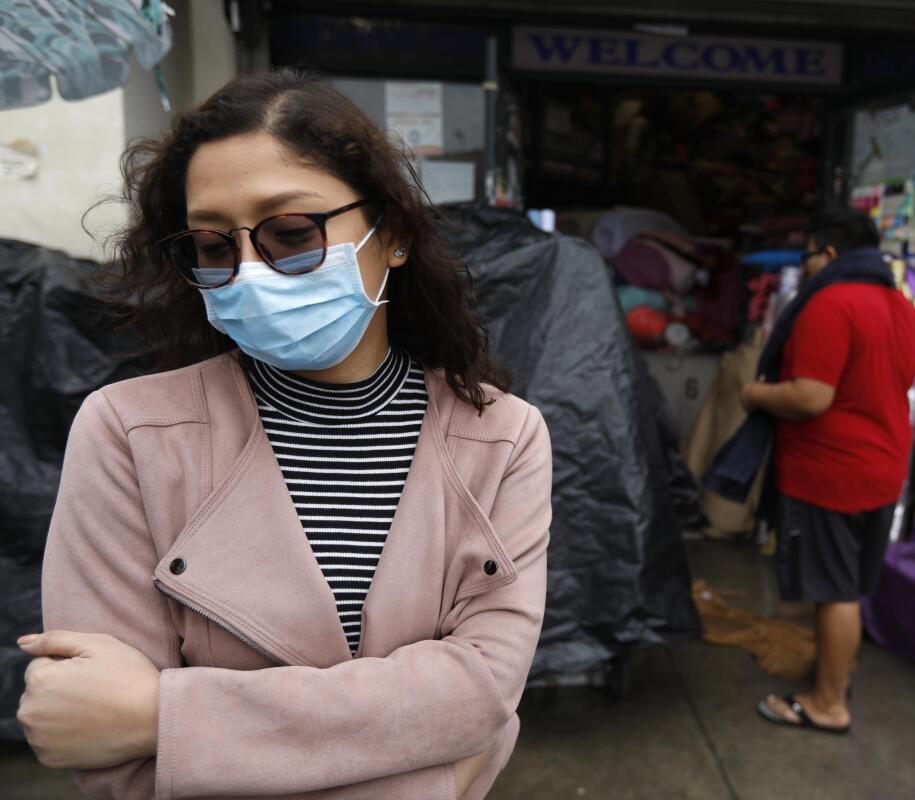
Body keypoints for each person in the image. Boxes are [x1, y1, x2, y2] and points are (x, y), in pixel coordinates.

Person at [15, 70, 552, 799]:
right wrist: (432, 777)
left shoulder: (504, 440)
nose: (251, 273)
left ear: (390, 234)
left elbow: (483, 692)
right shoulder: (128, 435)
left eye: (292, 235)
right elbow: (114, 763)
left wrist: (163, 716)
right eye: (213, 246)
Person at [742, 209, 915, 735]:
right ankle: (835, 676)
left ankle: (827, 703)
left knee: (834, 591)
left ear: (831, 254)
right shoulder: (902, 307)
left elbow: (810, 396)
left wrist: (753, 392)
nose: (807, 267)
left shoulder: (830, 303)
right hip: (883, 466)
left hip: (832, 472)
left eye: (809, 256)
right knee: (847, 587)